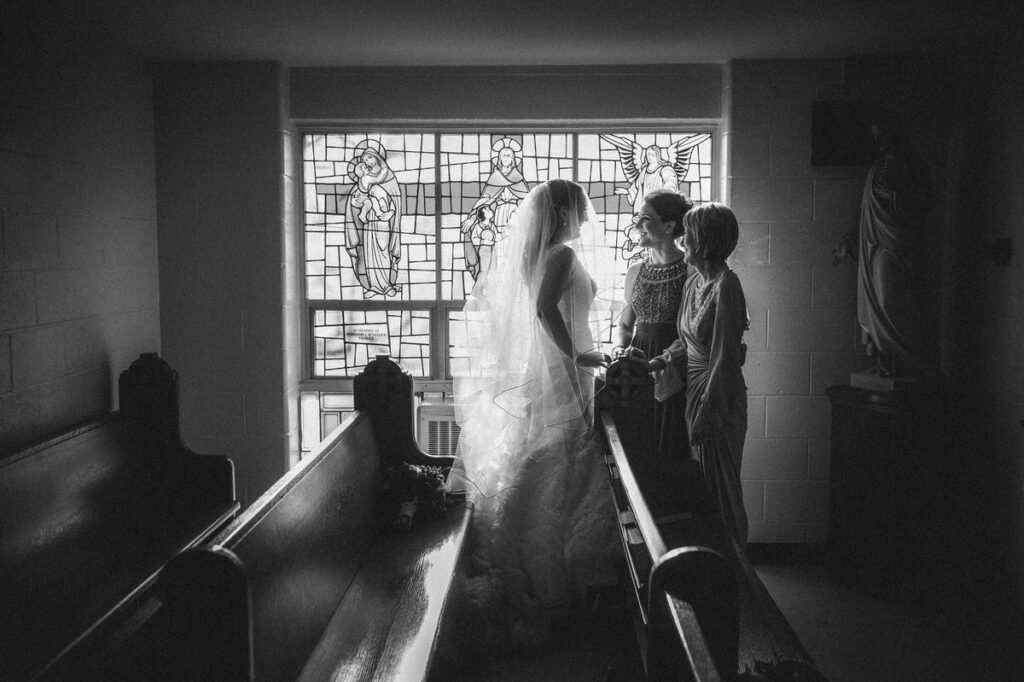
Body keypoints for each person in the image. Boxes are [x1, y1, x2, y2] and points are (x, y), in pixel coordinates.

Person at [451, 179, 617, 658]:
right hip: (562, 369)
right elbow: (546, 310)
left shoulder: (540, 255)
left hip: (552, 367)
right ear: (563, 212)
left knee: (547, 460)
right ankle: (554, 584)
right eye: (580, 209)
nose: (586, 218)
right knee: (560, 463)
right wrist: (578, 359)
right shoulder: (561, 254)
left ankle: (529, 565)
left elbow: (548, 307)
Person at [649, 202, 749, 549]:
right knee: (702, 486)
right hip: (692, 390)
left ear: (705, 239)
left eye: (688, 233)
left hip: (717, 394)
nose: (683, 238)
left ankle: (736, 566)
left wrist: (710, 408)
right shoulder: (693, 283)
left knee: (723, 486)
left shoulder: (727, 285)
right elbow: (683, 341)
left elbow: (724, 354)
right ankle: (712, 559)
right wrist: (654, 363)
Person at [832, 111, 933, 379]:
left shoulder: (911, 167)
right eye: (875, 137)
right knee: (876, 302)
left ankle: (910, 363)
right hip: (873, 248)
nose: (878, 142)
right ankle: (885, 363)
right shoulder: (876, 169)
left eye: (883, 135)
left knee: (891, 301)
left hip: (898, 246)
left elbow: (922, 204)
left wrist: (897, 198)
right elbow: (864, 212)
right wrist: (849, 241)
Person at [612, 190, 693, 460]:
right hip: (638, 365)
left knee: (670, 447)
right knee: (639, 445)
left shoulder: (691, 269)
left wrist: (662, 362)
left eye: (645, 219)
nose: (636, 226)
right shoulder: (636, 270)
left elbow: (694, 330)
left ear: (669, 226)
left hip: (676, 365)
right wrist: (621, 350)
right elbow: (625, 324)